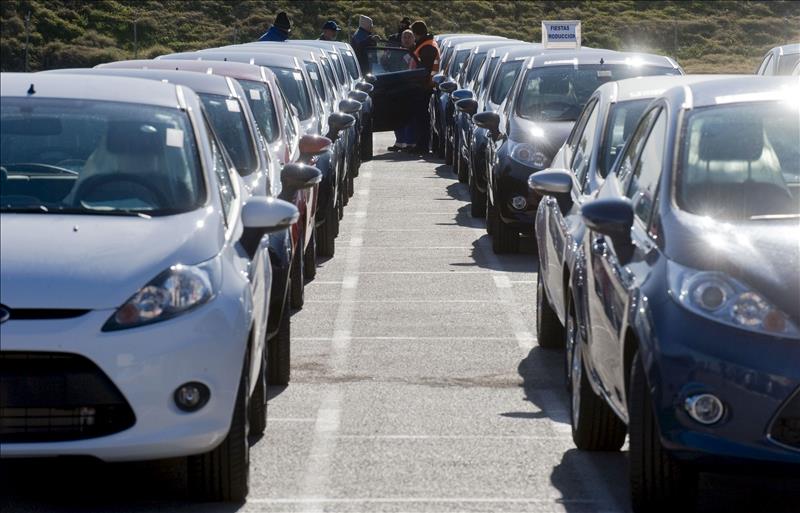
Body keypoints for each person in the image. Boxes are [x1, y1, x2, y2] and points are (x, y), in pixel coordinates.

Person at [410, 20, 440, 153]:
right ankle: (421, 144)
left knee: (422, 117)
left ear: (416, 33)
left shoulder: (427, 47)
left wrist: (419, 84)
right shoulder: (426, 44)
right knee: (422, 117)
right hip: (425, 86)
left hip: (424, 87)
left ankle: (422, 145)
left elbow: (425, 70)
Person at [388, 30, 420, 152]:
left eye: (409, 37)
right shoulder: (397, 52)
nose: (406, 39)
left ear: (414, 39)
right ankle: (400, 142)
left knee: (410, 117)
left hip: (411, 88)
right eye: (404, 37)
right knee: (397, 115)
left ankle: (410, 142)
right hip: (398, 87)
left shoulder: (416, 52)